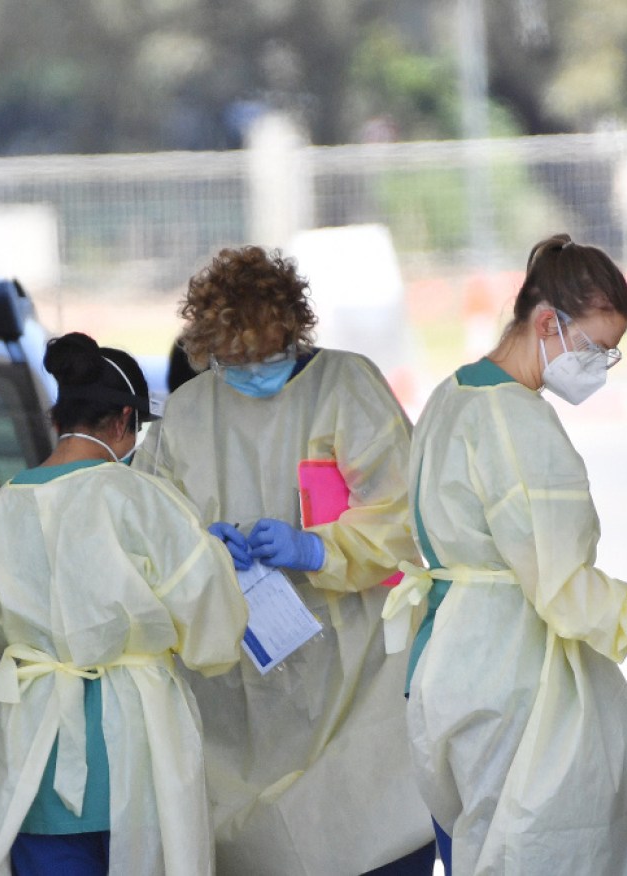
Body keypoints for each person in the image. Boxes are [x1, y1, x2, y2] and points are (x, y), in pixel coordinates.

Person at [133, 245, 435, 874]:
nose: (250, 370)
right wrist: (199, 550)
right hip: (239, 684)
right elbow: (147, 529)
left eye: (266, 355)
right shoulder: (189, 413)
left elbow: (409, 516)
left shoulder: (347, 387)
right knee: (259, 843)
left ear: (294, 330)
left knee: (368, 829)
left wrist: (320, 547)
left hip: (357, 674)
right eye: (232, 360)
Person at [381, 233, 627, 874]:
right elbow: (561, 589)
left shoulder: (451, 395)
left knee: (471, 844)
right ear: (548, 322)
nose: (598, 367)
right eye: (595, 348)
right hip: (513, 678)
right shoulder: (516, 421)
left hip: (449, 662)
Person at [0, 332, 249, 876]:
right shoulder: (140, 497)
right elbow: (214, 633)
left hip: (36, 754)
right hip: (136, 748)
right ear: (123, 421)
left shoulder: (6, 505)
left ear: (57, 419)